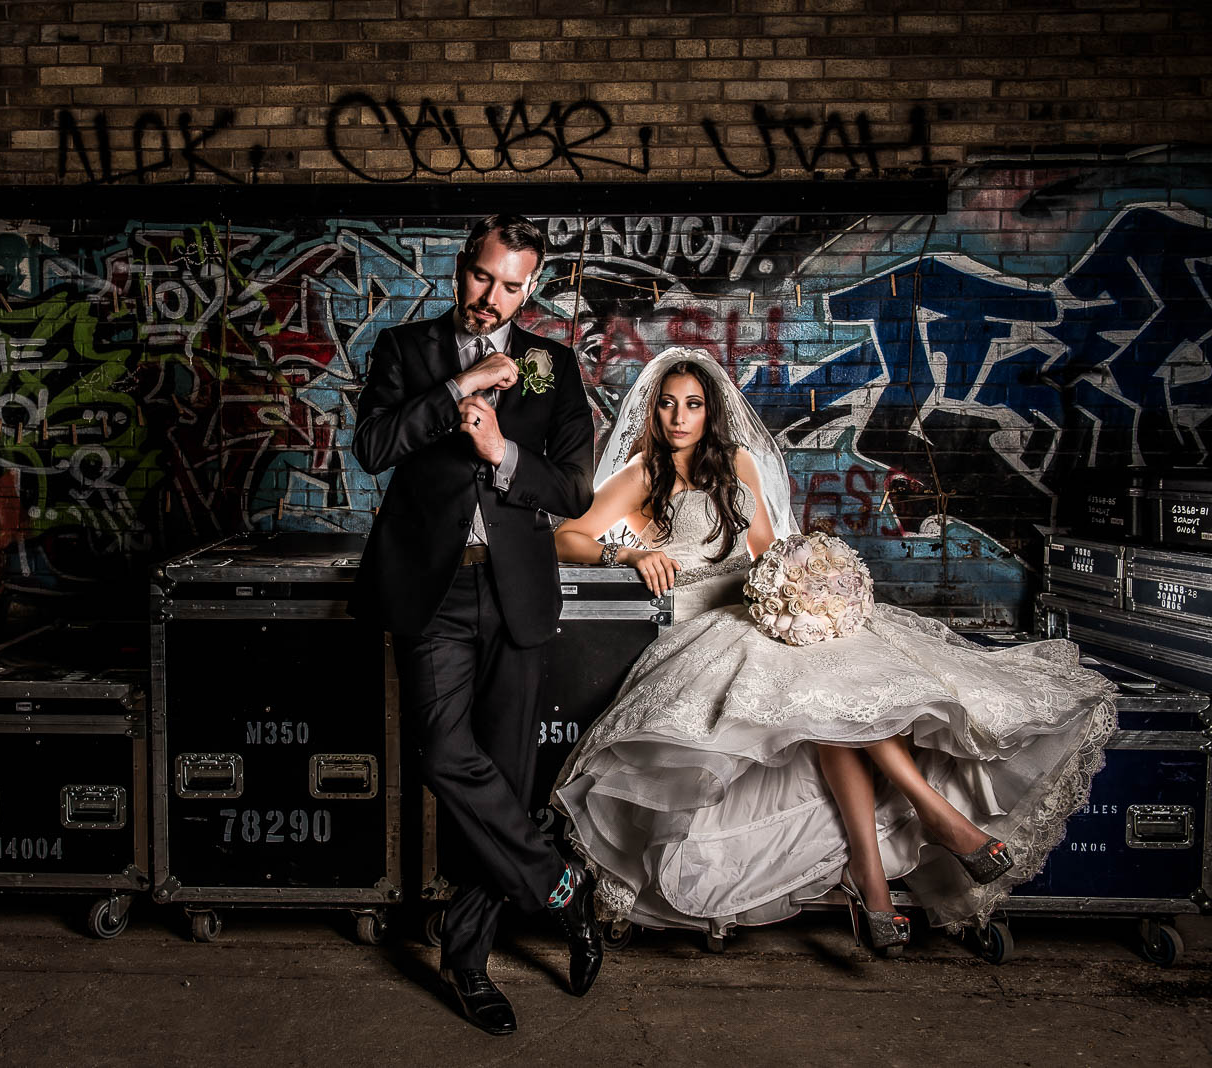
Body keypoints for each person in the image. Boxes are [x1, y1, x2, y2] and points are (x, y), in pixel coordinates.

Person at [552, 347, 1117, 953]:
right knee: (829, 699)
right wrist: (629, 553)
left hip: (762, 612)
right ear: (654, 412)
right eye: (668, 405)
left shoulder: (738, 463)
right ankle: (925, 825)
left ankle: (875, 876)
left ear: (710, 411)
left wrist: (804, 586)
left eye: (692, 405)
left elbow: (767, 548)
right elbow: (566, 535)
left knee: (838, 696)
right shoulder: (643, 473)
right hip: (704, 623)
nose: (679, 417)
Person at [349, 215, 601, 1034]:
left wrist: (502, 454)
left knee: (506, 783)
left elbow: (574, 491)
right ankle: (561, 886)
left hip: (517, 593)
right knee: (443, 754)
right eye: (482, 277)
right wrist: (458, 388)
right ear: (461, 268)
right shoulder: (406, 350)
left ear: (531, 290)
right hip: (435, 592)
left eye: (511, 286)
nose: (492, 297)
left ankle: (466, 961)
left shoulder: (554, 366)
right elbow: (373, 446)